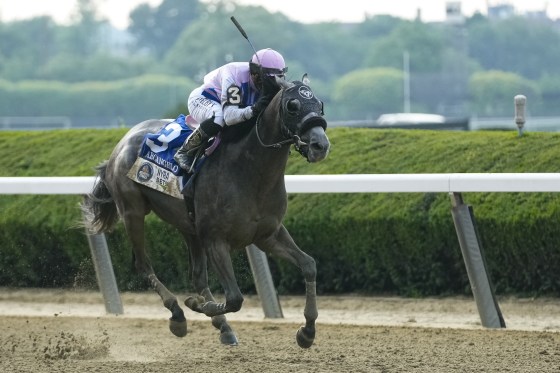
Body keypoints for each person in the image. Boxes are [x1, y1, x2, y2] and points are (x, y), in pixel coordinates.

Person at [174, 48, 288, 172]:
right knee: (219, 118)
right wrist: (254, 110)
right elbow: (229, 117)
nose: (269, 84)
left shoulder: (270, 80)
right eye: (265, 79)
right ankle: (185, 151)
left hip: (233, 106)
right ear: (254, 73)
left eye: (274, 79)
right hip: (204, 99)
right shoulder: (234, 75)